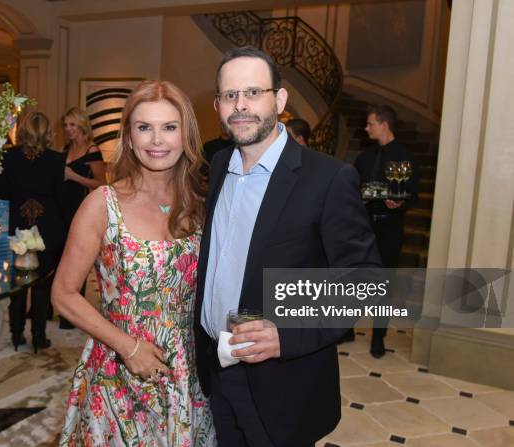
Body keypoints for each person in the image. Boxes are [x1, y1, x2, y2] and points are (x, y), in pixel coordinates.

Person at [194, 46, 381, 447]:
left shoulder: (327, 178)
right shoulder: (216, 168)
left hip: (282, 385)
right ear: (218, 106)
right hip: (217, 371)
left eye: (253, 92)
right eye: (230, 95)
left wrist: (288, 333)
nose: (240, 105)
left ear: (279, 100)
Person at [54, 80, 216, 446]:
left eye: (169, 127)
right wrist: (128, 348)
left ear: (186, 135)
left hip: (189, 375)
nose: (157, 139)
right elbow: (63, 294)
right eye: (145, 127)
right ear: (128, 136)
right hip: (118, 373)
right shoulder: (101, 204)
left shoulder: (203, 205)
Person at [350, 104, 419, 357]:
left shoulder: (403, 157)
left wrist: (400, 201)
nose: (367, 128)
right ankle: (346, 328)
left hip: (390, 228)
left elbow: (411, 194)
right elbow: (351, 188)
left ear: (383, 125)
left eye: (370, 124)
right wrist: (360, 197)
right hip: (363, 228)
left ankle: (378, 337)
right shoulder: (365, 157)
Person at [0, 112, 66, 352]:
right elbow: (60, 199)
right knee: (42, 286)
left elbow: (2, 196)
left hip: (15, 226)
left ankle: (16, 335)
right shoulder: (57, 159)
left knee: (17, 285)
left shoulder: (8, 157)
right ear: (48, 132)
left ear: (23, 130)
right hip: (48, 227)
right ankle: (39, 337)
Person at [59, 107, 107, 329]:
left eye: (72, 125)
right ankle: (58, 308)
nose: (68, 129)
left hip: (80, 207)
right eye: (66, 125)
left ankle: (71, 317)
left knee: (77, 258)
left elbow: (101, 184)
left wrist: (74, 176)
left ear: (82, 125)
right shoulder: (66, 147)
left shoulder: (92, 149)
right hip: (61, 207)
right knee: (61, 256)